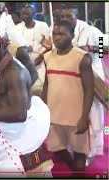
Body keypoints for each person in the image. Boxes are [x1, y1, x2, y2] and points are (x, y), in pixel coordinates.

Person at [0, 25, 53, 177]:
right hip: (1, 135)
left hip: (15, 138)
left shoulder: (14, 73)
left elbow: (20, 114)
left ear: (3, 45)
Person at [42, 20, 94, 175]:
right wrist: (43, 111)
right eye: (54, 34)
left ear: (72, 35)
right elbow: (47, 84)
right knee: (57, 149)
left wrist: (84, 117)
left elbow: (89, 90)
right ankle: (74, 169)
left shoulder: (82, 57)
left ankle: (79, 171)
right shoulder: (48, 57)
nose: (57, 38)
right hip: (54, 116)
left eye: (61, 34)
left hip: (75, 117)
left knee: (79, 154)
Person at [61, 7, 107, 166]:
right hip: (71, 77)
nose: (65, 18)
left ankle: (94, 149)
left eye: (69, 15)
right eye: (63, 15)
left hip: (93, 75)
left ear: (77, 16)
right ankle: (75, 147)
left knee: (93, 114)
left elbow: (104, 48)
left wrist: (93, 49)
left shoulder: (91, 31)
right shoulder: (61, 30)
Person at [14, 5, 51, 95]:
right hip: (23, 63)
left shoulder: (43, 26)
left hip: (40, 62)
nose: (24, 16)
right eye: (23, 14)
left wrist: (41, 57)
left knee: (40, 89)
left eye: (27, 14)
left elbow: (50, 46)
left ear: (33, 14)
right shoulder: (17, 28)